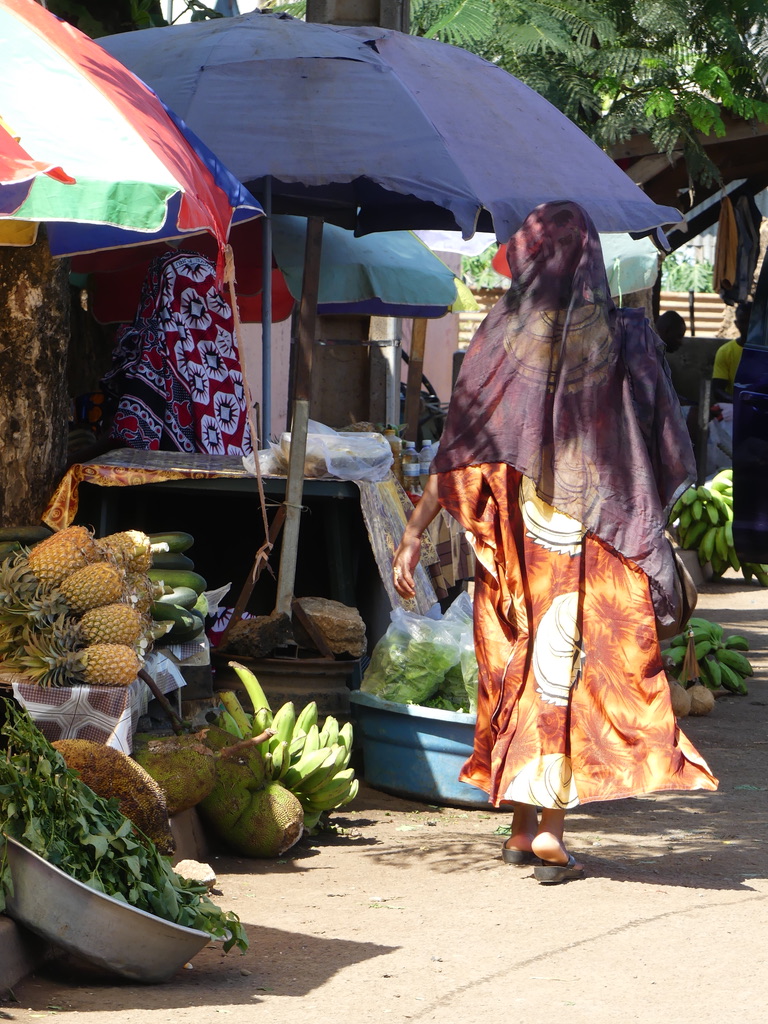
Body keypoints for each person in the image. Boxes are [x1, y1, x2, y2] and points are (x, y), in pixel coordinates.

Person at [392, 201, 717, 885]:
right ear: (589, 257)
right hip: (599, 540)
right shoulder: (627, 336)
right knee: (570, 673)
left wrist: (414, 535)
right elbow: (663, 442)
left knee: (523, 665)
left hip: (519, 545)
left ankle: (522, 824)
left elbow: (462, 449)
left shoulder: (501, 336)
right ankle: (546, 834)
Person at [101, 250, 252, 456]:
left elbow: (131, 438)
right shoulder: (229, 355)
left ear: (155, 290)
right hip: (229, 481)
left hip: (169, 482)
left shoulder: (152, 344)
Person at [711, 300, 752, 404]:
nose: (747, 327)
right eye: (743, 322)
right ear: (736, 324)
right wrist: (739, 403)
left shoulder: (764, 350)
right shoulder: (725, 351)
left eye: (751, 322)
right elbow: (717, 390)